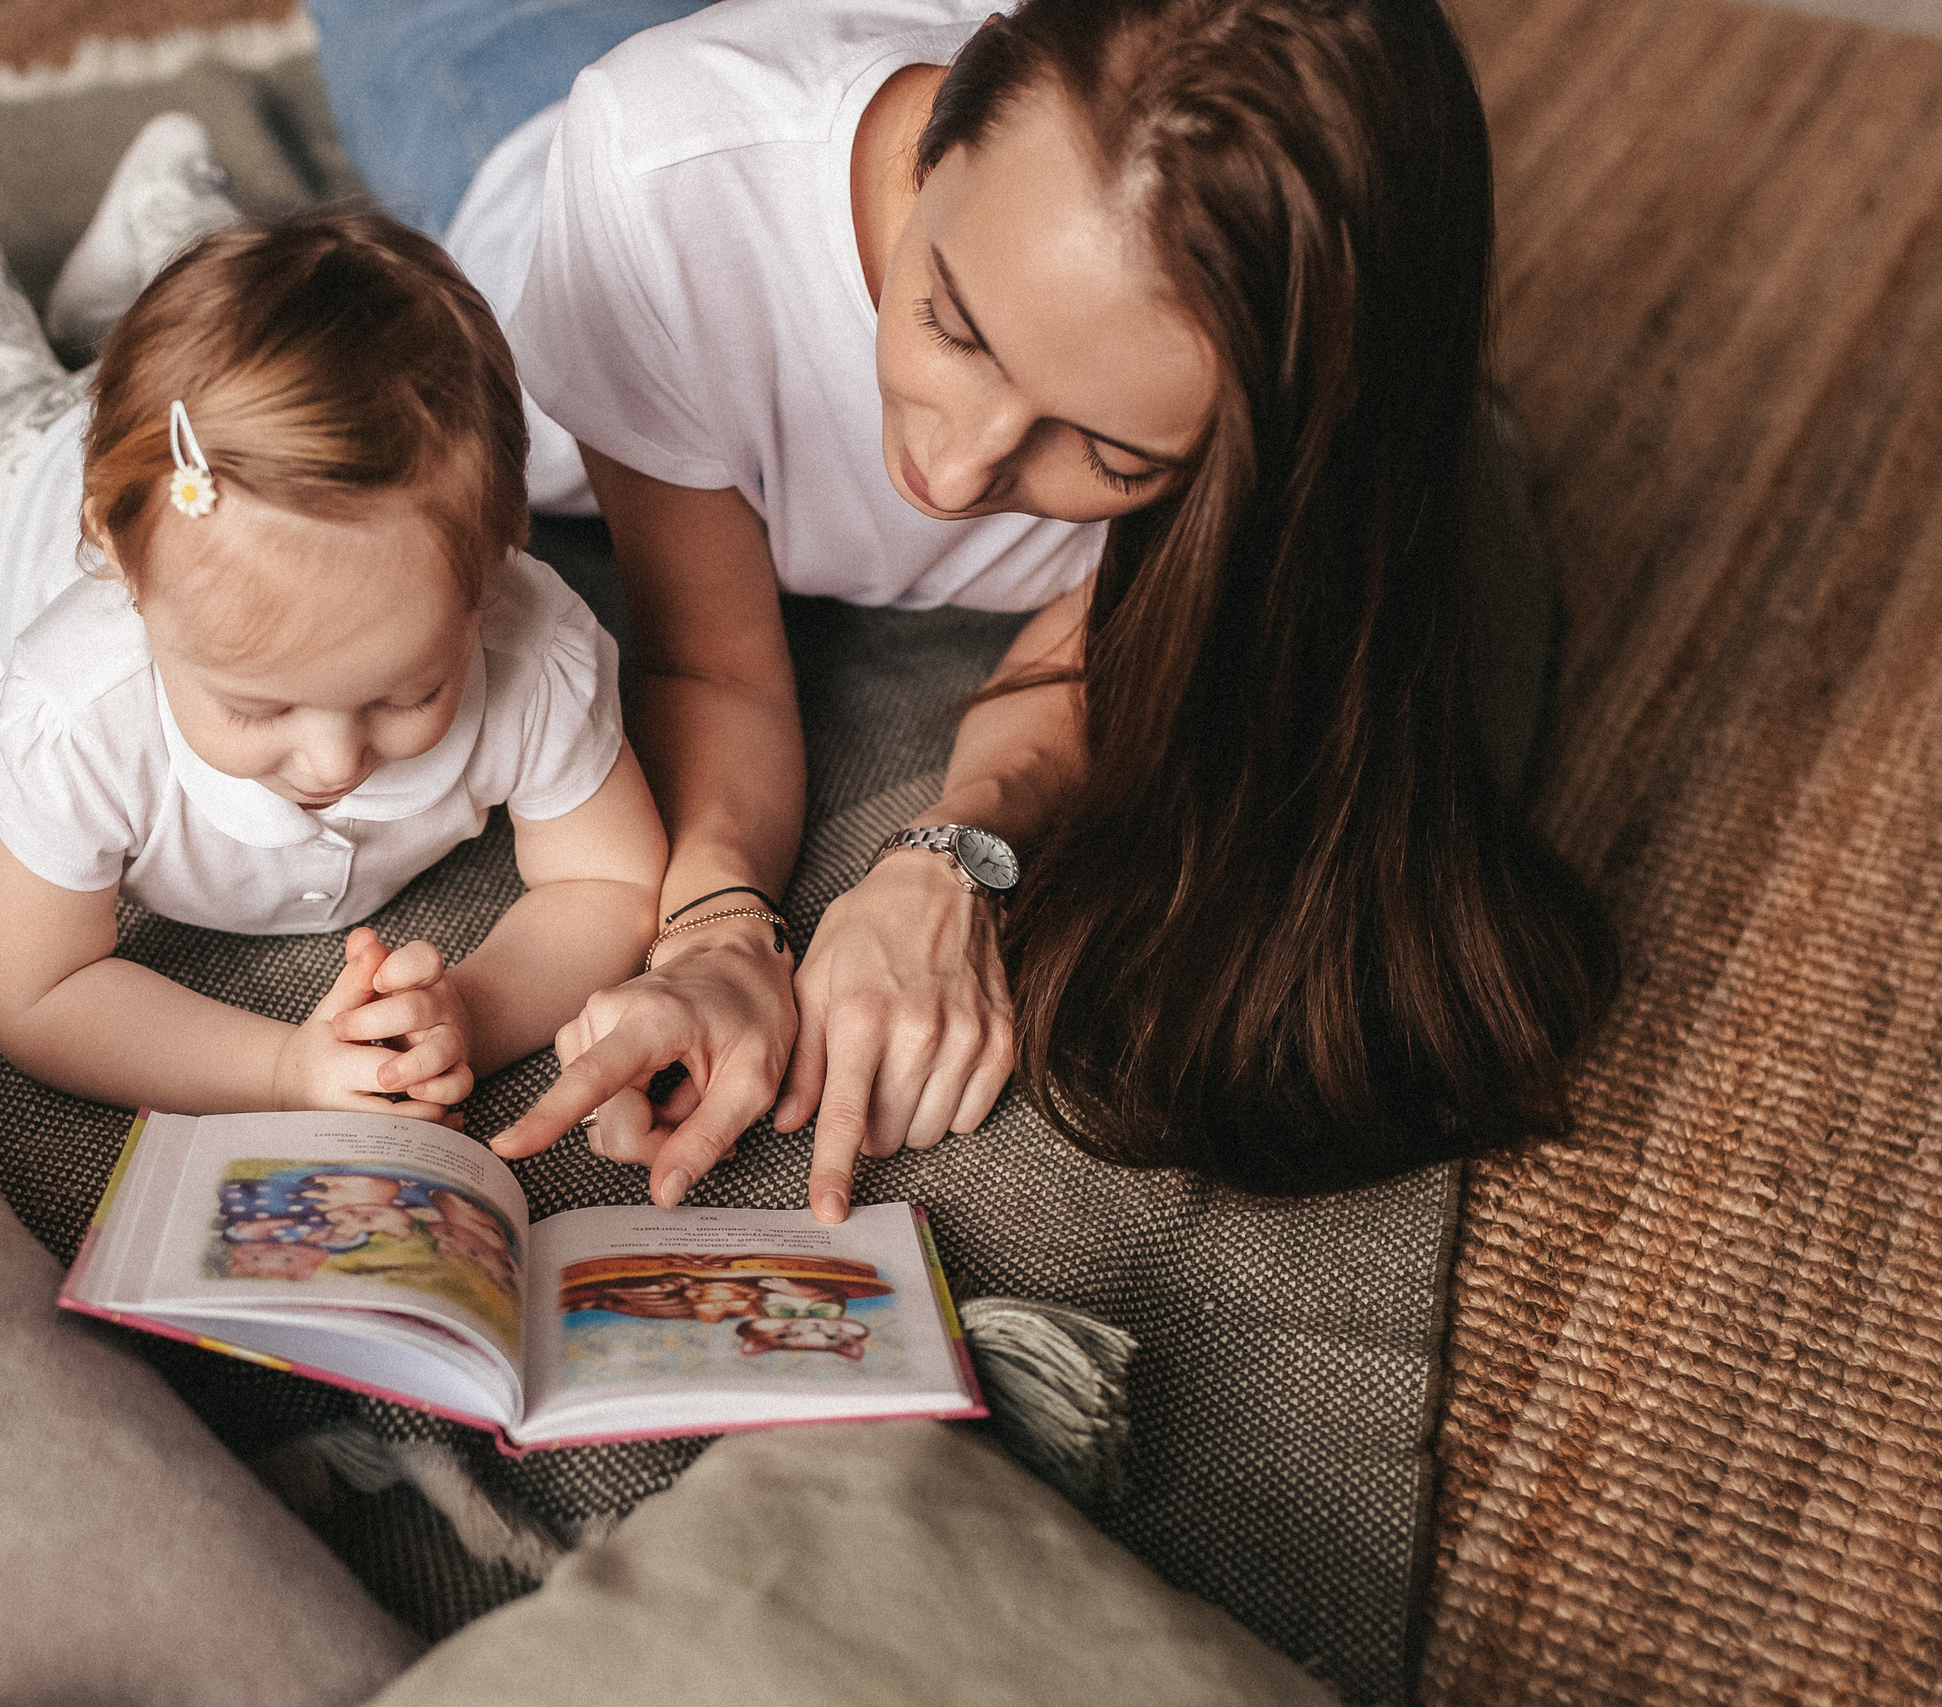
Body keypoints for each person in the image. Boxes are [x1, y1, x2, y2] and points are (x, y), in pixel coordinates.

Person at [307, 0, 1614, 1211]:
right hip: (522, 74)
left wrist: (948, 853)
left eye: (1110, 454)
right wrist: (714, 924)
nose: (960, 467)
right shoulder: (662, 180)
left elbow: (1132, 643)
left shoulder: (1256, 353)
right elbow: (709, 661)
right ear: (941, 146)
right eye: (954, 323)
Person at [0, 120, 668, 1119]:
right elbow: (38, 992)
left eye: (408, 692)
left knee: (259, 309)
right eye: (259, 708)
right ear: (126, 576)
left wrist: (473, 1010)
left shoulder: (532, 650)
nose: (330, 762)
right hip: (63, 476)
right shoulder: (81, 713)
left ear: (492, 566)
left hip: (212, 436)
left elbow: (608, 883)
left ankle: (168, 190)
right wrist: (283, 1071)